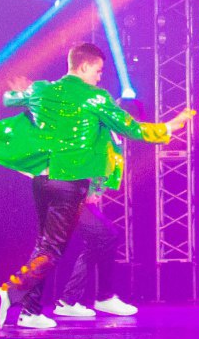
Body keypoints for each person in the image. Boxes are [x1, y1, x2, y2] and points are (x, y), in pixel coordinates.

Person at [0, 43, 190, 331]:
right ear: (84, 66)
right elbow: (133, 128)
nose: (99, 77)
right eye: (98, 71)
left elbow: (10, 99)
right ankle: (8, 293)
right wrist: (170, 126)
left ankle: (30, 312)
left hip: (42, 180)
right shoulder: (95, 97)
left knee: (44, 246)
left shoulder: (41, 89)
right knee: (52, 250)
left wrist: (23, 91)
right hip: (69, 181)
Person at [53, 135, 139, 321]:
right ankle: (96, 298)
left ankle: (75, 299)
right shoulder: (98, 129)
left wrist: (96, 189)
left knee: (103, 239)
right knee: (105, 237)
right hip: (70, 193)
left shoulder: (109, 133)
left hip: (75, 193)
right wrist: (92, 189)